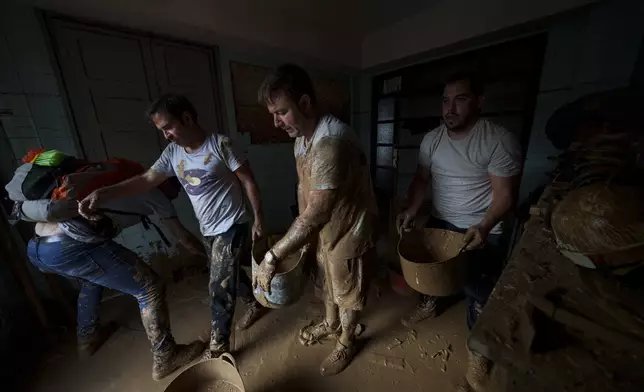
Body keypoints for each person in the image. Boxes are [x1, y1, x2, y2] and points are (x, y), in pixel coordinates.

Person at [78, 94, 267, 360]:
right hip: (208, 228)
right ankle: (254, 303)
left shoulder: (221, 145)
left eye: (168, 127)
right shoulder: (172, 153)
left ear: (187, 118)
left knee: (218, 285)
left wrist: (258, 218)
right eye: (161, 130)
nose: (166, 135)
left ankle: (219, 346)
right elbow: (145, 180)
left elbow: (248, 180)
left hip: (232, 223)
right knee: (227, 269)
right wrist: (104, 194)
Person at [254, 64, 378, 376]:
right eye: (273, 114)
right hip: (325, 223)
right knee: (325, 276)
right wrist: (307, 236)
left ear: (306, 104)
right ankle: (331, 322)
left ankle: (347, 339)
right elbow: (303, 187)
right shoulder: (301, 139)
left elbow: (320, 209)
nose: (276, 122)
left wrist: (274, 255)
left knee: (346, 284)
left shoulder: (332, 142)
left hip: (352, 225)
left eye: (281, 112)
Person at [22, 180, 205, 381]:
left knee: (92, 279)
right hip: (68, 247)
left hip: (37, 249)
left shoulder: (126, 180)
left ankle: (88, 338)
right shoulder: (157, 195)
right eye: (179, 186)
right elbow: (184, 238)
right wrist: (209, 256)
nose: (179, 192)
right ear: (169, 183)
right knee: (149, 288)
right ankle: (166, 356)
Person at [397, 71, 522, 329]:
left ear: (479, 101)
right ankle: (430, 305)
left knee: (478, 289)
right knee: (430, 270)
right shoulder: (432, 139)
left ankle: (479, 346)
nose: (450, 109)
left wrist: (485, 226)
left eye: (460, 99)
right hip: (440, 220)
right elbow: (422, 178)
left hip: (480, 227)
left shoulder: (498, 140)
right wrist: (412, 208)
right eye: (445, 101)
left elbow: (505, 195)